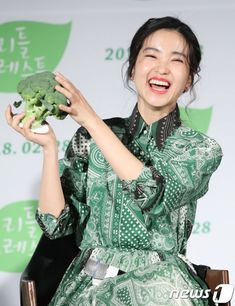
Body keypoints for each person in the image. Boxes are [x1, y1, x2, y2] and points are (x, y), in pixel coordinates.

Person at [6, 16, 222, 306]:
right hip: (92, 284)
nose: (161, 69)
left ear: (188, 81)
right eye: (151, 56)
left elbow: (152, 193)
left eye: (177, 61)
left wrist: (92, 120)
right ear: (133, 69)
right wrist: (49, 148)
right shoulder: (89, 138)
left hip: (163, 288)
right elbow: (55, 224)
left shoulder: (199, 149)